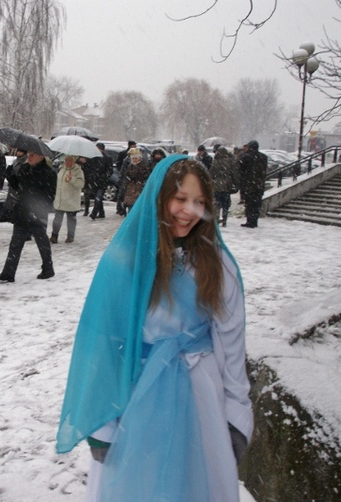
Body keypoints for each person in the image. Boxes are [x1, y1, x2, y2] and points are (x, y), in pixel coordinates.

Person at [56, 156, 253, 501]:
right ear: (159, 197)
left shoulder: (217, 264)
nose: (188, 211)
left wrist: (236, 412)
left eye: (199, 202)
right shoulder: (126, 260)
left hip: (200, 395)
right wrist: (103, 425)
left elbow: (231, 342)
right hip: (136, 394)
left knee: (193, 485)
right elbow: (103, 343)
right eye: (180, 199)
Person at [0, 148, 56, 282]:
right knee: (15, 243)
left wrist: (39, 205)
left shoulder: (49, 173)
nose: (30, 157)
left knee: (42, 242)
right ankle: (8, 273)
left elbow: (50, 196)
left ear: (41, 156)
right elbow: (18, 186)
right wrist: (10, 175)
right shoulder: (24, 168)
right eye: (29, 155)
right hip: (22, 211)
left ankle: (48, 269)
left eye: (32, 155)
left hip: (37, 213)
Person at [51, 154, 85, 244]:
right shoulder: (61, 168)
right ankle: (54, 236)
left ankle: (70, 236)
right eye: (66, 160)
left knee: (71, 219)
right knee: (57, 219)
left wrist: (72, 179)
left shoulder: (78, 171)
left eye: (70, 161)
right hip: (60, 199)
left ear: (74, 162)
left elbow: (81, 184)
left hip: (71, 200)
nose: (67, 163)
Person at [238, 140, 268, 228]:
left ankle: (250, 221)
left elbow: (240, 168)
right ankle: (254, 221)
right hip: (259, 185)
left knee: (249, 204)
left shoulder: (246, 157)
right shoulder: (263, 157)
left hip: (249, 185)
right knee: (257, 204)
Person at [211, 146, 240, 227]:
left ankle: (216, 219)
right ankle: (224, 220)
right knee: (226, 205)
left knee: (217, 204)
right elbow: (234, 174)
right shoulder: (230, 161)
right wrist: (237, 184)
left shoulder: (215, 162)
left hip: (216, 186)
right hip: (227, 186)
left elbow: (211, 174)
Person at [121, 148, 152, 216]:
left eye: (136, 158)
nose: (134, 160)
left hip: (139, 188)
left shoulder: (143, 166)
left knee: (138, 205)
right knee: (130, 205)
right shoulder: (130, 166)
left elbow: (146, 176)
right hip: (130, 188)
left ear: (139, 158)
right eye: (133, 158)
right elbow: (126, 175)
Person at [88, 143, 111, 220]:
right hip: (94, 181)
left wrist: (104, 176)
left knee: (98, 197)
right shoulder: (93, 157)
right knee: (98, 198)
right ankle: (101, 213)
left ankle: (94, 213)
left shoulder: (107, 158)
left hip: (102, 181)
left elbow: (110, 170)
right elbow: (90, 168)